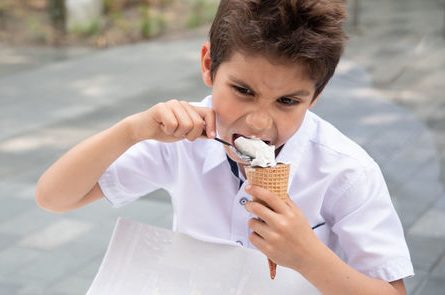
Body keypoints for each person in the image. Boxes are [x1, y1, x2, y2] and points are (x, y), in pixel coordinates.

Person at [36, 0, 414, 293]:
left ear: (315, 95)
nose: (259, 122)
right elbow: (54, 198)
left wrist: (308, 257)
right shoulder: (181, 139)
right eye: (243, 91)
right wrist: (131, 131)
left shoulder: (345, 171)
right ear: (208, 65)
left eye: (287, 101)